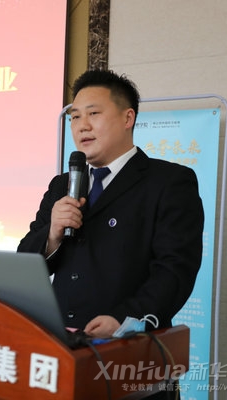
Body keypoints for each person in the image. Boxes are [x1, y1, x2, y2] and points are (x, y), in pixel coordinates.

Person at [17, 69, 204, 340]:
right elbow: (24, 263)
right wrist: (53, 234)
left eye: (93, 113)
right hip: (60, 340)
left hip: (129, 344)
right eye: (75, 117)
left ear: (128, 118)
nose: (82, 126)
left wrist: (124, 319)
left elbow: (175, 269)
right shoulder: (62, 185)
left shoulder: (169, 182)